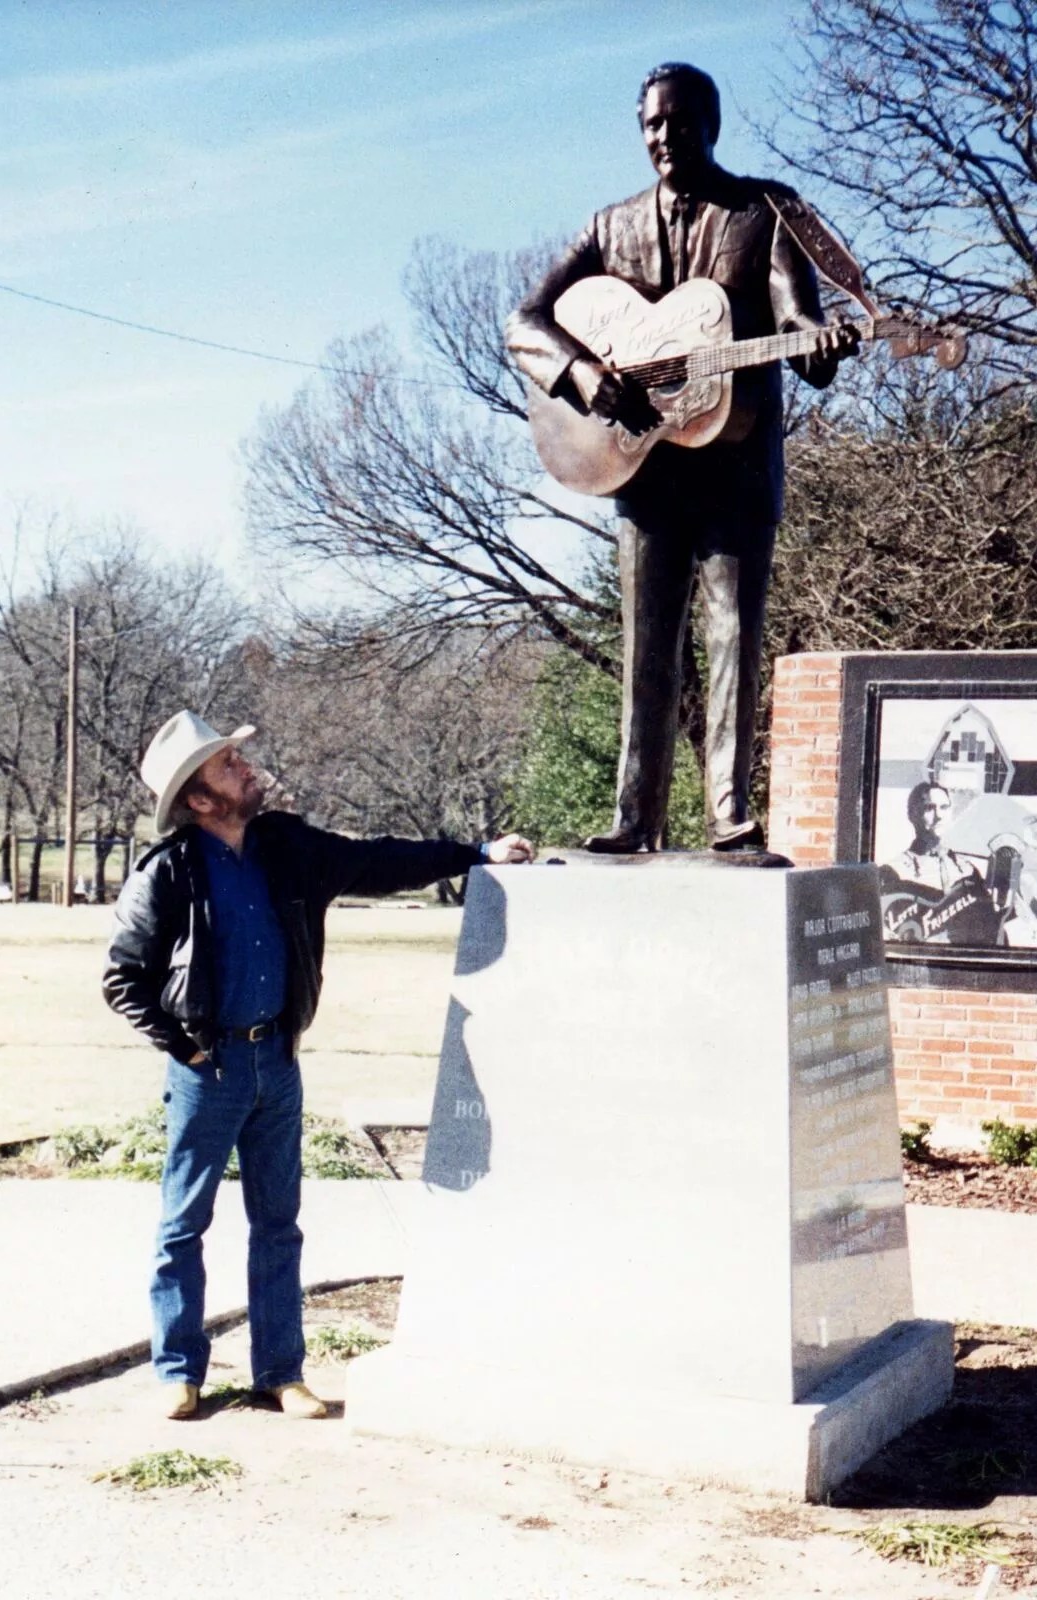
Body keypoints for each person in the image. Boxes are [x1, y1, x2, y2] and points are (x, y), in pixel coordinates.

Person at [103, 710, 533, 1420]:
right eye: (226, 767)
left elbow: (379, 860)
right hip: (206, 1072)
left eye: (237, 759)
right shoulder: (169, 872)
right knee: (184, 1223)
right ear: (201, 800)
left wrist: (477, 851)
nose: (245, 767)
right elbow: (123, 978)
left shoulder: (287, 847)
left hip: (278, 1061)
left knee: (279, 1222)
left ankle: (281, 1372)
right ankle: (178, 1372)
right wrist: (184, 1047)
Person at [507, 61, 859, 852]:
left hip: (735, 464)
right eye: (650, 125)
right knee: (645, 645)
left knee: (734, 631)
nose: (662, 137)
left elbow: (796, 317)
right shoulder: (608, 227)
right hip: (641, 460)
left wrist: (818, 345)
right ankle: (634, 820)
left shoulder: (763, 212)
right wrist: (587, 376)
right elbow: (523, 322)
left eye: (676, 120)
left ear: (711, 122)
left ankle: (730, 816)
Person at [878, 780, 998, 945]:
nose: (939, 815)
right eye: (929, 808)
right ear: (912, 815)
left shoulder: (967, 870)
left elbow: (987, 925)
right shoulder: (893, 872)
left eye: (944, 807)